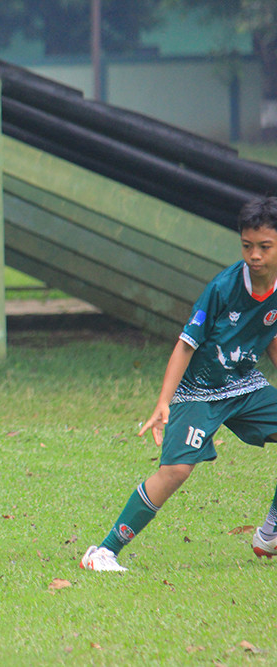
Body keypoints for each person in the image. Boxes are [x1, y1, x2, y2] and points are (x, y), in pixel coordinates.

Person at [81, 196, 277, 572]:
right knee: (175, 471)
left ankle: (270, 533)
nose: (254, 255)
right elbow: (186, 344)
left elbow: (269, 332)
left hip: (243, 385)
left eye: (264, 247)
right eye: (247, 246)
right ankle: (103, 552)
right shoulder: (223, 288)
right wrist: (163, 403)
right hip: (199, 391)